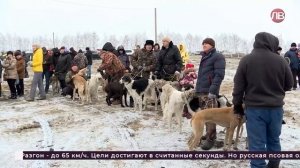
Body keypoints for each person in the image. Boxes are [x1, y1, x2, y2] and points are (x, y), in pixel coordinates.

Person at [233, 32, 293, 168]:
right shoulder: (281, 60)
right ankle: (273, 165)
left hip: (255, 110)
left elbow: (238, 86)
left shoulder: (246, 60)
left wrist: (237, 105)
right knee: (274, 139)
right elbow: (289, 84)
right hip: (276, 109)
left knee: (257, 143)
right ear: (272, 43)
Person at [194, 37, 226, 150]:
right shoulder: (205, 56)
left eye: (206, 44)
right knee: (204, 116)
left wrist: (213, 90)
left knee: (211, 117)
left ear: (212, 45)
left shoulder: (217, 56)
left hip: (210, 92)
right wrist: (197, 89)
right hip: (202, 91)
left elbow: (219, 75)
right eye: (203, 43)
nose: (204, 45)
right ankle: (208, 134)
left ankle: (211, 139)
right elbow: (203, 75)